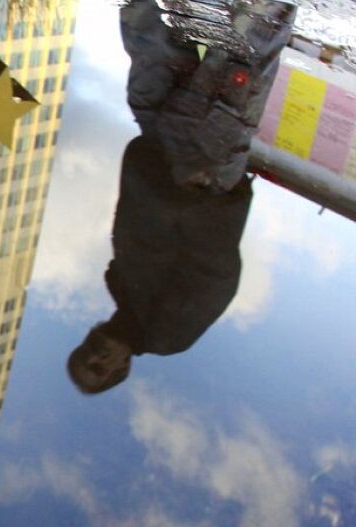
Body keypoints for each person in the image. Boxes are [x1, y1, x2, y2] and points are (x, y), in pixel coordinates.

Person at [68, 0, 295, 395]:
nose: (95, 355)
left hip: (155, 141)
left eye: (83, 355)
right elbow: (217, 278)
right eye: (99, 368)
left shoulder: (119, 285)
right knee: (248, 41)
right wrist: (200, 198)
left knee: (145, 28)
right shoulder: (167, 336)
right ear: (121, 370)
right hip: (199, 165)